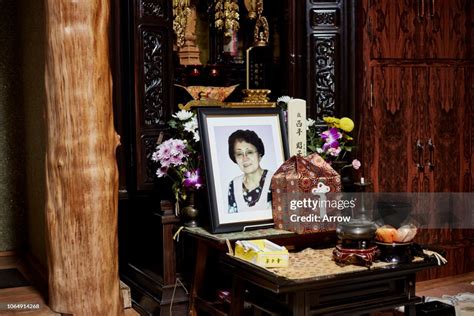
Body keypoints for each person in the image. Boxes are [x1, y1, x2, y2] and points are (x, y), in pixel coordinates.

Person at [227, 130, 273, 213]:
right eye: (239, 154)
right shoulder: (233, 185)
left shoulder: (274, 179)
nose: (245, 158)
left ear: (259, 154)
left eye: (250, 152)